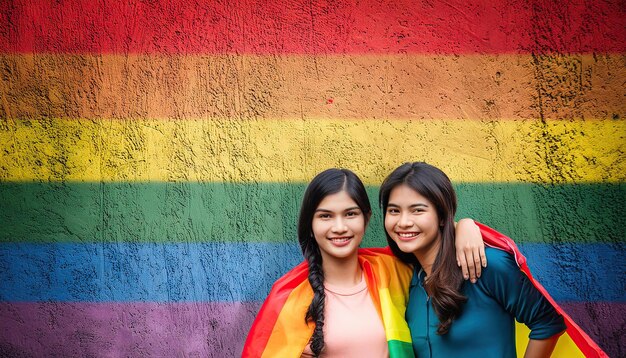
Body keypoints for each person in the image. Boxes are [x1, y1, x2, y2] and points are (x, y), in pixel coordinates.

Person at [243, 168, 502, 357]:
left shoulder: (395, 270)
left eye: (350, 214)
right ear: (310, 225)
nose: (339, 227)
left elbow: (432, 239)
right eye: (325, 216)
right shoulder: (290, 296)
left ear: (366, 219)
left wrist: (465, 226)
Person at [379, 162, 566, 357]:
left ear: (442, 216)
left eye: (417, 210)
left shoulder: (488, 265)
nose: (403, 222)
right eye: (394, 211)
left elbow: (547, 322)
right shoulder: (405, 279)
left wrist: (465, 223)